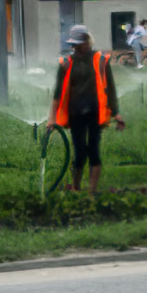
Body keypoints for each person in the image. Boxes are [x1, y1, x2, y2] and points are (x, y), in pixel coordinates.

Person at [48, 25, 125, 193]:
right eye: (74, 44)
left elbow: (110, 89)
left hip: (95, 113)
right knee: (80, 152)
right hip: (75, 113)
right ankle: (76, 188)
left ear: (88, 42)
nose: (76, 47)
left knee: (94, 151)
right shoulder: (66, 63)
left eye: (79, 44)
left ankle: (91, 192)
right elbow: (57, 93)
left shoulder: (101, 61)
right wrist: (51, 119)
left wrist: (116, 113)